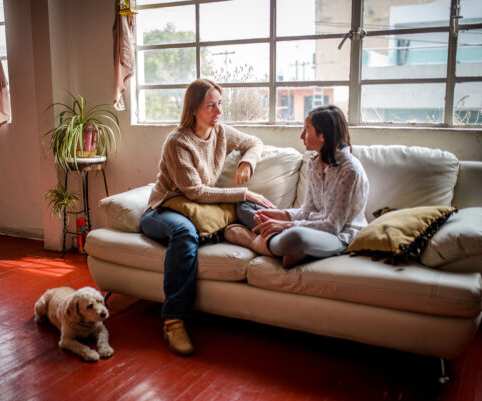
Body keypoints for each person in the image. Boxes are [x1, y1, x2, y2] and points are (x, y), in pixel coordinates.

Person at [140, 78, 274, 356]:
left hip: (196, 209)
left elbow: (255, 142)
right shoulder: (177, 143)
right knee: (185, 233)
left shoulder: (221, 133)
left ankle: (276, 239)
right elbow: (196, 192)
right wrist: (243, 192)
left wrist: (247, 160)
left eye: (219, 104)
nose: (218, 112)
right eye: (210, 106)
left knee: (236, 213)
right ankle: (174, 321)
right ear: (193, 110)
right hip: (163, 209)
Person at [225, 105, 369, 268]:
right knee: (245, 206)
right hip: (311, 225)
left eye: (306, 130)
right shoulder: (315, 163)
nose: (301, 136)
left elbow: (332, 225)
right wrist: (278, 215)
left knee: (296, 236)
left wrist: (285, 225)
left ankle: (253, 241)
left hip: (338, 235)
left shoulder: (349, 171)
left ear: (322, 135)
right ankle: (285, 247)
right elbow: (307, 211)